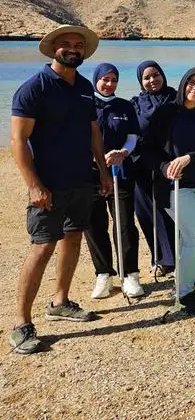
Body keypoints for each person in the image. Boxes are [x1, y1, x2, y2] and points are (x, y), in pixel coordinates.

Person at [9, 25, 112, 355]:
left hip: (81, 179)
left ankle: (60, 301)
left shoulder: (83, 88)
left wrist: (102, 170)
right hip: (48, 185)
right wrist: (34, 184)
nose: (72, 48)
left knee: (73, 237)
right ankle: (21, 323)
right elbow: (18, 140)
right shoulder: (34, 88)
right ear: (53, 48)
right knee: (42, 247)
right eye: (66, 44)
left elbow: (93, 130)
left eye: (78, 45)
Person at [146, 67, 195, 316]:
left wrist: (190, 157)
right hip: (174, 186)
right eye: (192, 82)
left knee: (187, 237)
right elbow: (148, 149)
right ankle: (185, 293)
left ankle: (180, 282)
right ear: (183, 83)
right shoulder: (167, 112)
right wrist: (166, 165)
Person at [85, 63, 144, 299]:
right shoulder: (85, 105)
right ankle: (103, 274)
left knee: (124, 223)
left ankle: (130, 274)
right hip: (90, 173)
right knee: (94, 224)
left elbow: (132, 138)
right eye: (105, 79)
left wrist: (122, 152)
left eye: (114, 80)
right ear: (96, 80)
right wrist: (98, 159)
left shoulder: (124, 106)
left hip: (120, 172)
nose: (109, 84)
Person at [130, 60, 176, 275]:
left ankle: (181, 257)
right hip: (142, 166)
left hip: (170, 165)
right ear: (141, 81)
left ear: (163, 75)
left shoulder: (176, 99)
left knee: (171, 212)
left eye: (155, 75)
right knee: (147, 213)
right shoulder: (136, 104)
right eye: (146, 78)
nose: (152, 80)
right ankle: (160, 258)